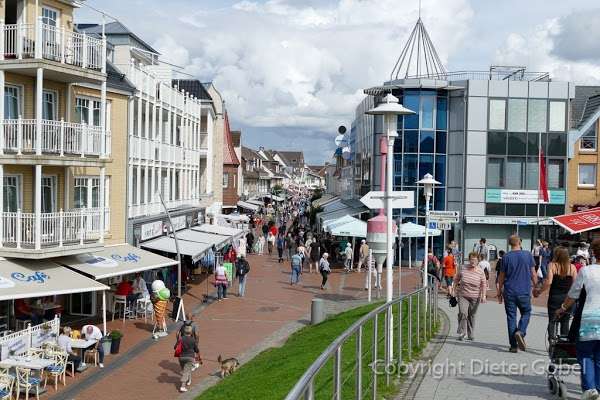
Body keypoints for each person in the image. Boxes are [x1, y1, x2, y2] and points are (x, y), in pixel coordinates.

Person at [555, 238, 600, 400]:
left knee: (585, 354)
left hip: (590, 319)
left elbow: (573, 295)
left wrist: (562, 309)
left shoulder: (586, 271)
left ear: (593, 252)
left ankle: (590, 389)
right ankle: (598, 389)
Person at [497, 235, 537, 353]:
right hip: (524, 291)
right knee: (526, 312)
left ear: (509, 244)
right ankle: (521, 331)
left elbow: (501, 276)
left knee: (511, 317)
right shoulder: (528, 255)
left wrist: (499, 291)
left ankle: (513, 346)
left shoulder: (506, 257)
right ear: (520, 242)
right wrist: (536, 287)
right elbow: (533, 273)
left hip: (509, 291)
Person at [534, 246, 577, 339]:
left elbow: (548, 282)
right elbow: (575, 285)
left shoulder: (552, 265)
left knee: (552, 320)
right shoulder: (572, 267)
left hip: (555, 297)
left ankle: (552, 341)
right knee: (565, 322)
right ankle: (563, 343)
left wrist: (539, 291)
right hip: (567, 298)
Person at [453, 252, 487, 340]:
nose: (473, 261)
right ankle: (462, 332)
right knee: (463, 313)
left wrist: (483, 296)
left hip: (475, 296)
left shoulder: (480, 271)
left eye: (475, 260)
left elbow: (484, 284)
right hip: (463, 295)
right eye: (471, 259)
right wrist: (453, 290)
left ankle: (470, 334)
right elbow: (456, 279)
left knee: (472, 315)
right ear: (469, 260)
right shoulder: (463, 268)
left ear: (478, 261)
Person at [175, 325, 201, 393]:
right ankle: (182, 386)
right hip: (190, 357)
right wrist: (199, 356)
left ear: (184, 332)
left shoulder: (180, 339)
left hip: (181, 357)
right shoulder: (193, 340)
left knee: (185, 370)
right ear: (191, 332)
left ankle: (189, 380)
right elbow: (196, 350)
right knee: (186, 372)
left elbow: (175, 347)